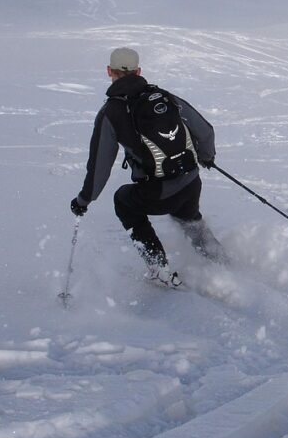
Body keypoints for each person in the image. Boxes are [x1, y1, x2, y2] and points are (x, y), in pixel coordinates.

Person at [70, 47, 221, 287]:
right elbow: (205, 130)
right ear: (139, 71)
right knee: (188, 216)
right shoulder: (164, 96)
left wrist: (84, 200)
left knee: (123, 201)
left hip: (159, 191)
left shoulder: (111, 112)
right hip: (191, 181)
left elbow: (100, 165)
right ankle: (219, 260)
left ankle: (159, 267)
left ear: (110, 71)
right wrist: (206, 156)